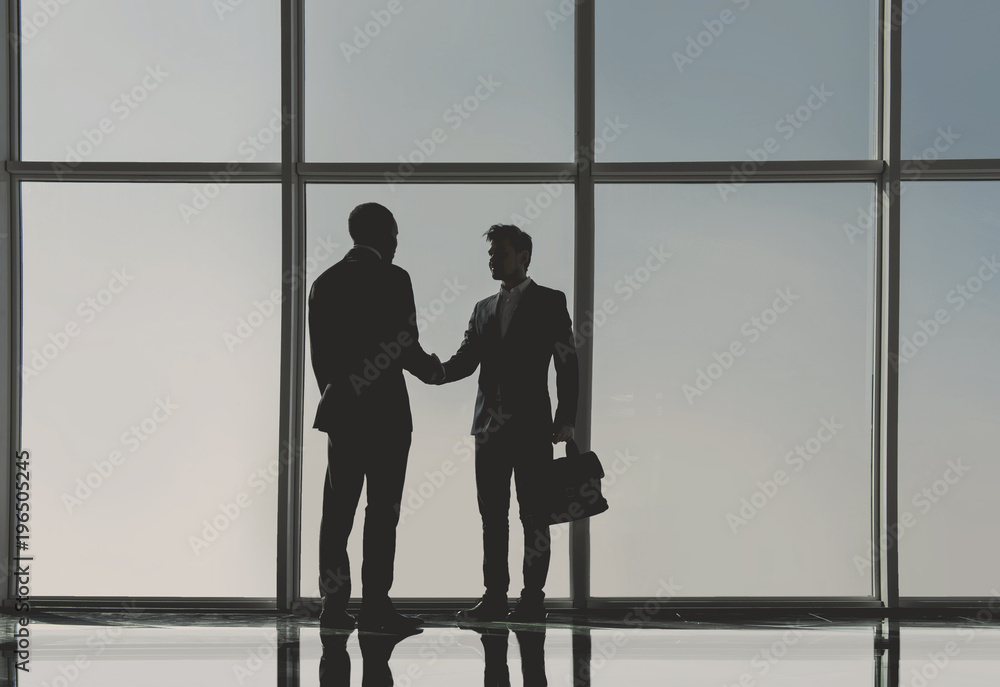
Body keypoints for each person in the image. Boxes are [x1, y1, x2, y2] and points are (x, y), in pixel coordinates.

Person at [308, 202, 445, 632]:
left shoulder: (323, 283)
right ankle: (376, 606)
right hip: (386, 416)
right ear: (385, 233)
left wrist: (338, 398)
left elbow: (320, 358)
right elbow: (405, 344)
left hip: (343, 414)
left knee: (338, 511)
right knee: (382, 511)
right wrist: (435, 371)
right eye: (396, 233)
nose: (397, 241)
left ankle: (333, 606)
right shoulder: (394, 277)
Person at [433, 224, 578, 622]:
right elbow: (465, 359)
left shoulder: (551, 301)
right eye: (491, 253)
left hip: (532, 427)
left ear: (523, 257)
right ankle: (495, 597)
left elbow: (567, 360)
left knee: (534, 515)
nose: (493, 259)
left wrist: (567, 417)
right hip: (489, 430)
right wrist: (436, 372)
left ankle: (532, 599)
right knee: (492, 517)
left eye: (500, 253)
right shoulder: (482, 308)